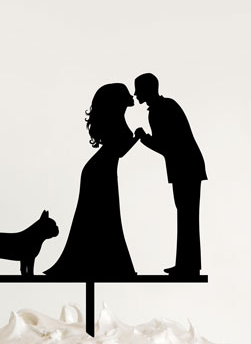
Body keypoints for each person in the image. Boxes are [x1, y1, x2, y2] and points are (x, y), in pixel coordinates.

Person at [44, 84, 138, 280]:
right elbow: (120, 149)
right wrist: (138, 137)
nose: (131, 98)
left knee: (102, 216)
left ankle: (102, 262)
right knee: (103, 216)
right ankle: (104, 264)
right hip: (100, 171)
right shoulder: (117, 121)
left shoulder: (116, 119)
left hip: (100, 169)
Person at [133, 73, 207, 277]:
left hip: (186, 168)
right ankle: (187, 264)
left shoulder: (159, 110)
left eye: (138, 89)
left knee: (187, 216)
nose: (136, 94)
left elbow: (165, 146)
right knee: (186, 215)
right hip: (187, 168)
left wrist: (143, 138)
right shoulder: (165, 106)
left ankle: (188, 265)